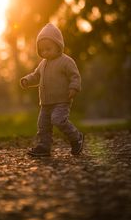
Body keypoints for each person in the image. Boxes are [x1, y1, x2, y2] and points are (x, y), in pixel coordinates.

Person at [20, 22, 84, 157]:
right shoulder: (43, 64)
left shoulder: (66, 61)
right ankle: (44, 146)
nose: (45, 52)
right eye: (42, 50)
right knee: (42, 125)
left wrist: (74, 87)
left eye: (48, 48)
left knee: (58, 120)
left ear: (58, 46)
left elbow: (75, 76)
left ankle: (76, 137)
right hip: (45, 103)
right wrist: (27, 80)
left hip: (62, 100)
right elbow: (36, 76)